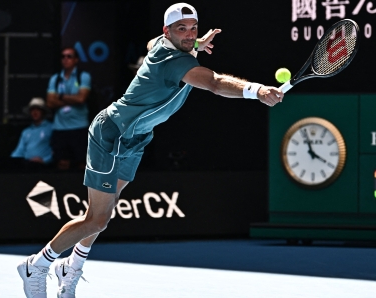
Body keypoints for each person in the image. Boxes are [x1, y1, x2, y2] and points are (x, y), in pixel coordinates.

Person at [17, 3, 283, 298]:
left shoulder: (161, 43)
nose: (189, 34)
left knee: (106, 210)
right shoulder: (171, 60)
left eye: (192, 28)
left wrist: (194, 43)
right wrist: (257, 90)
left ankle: (71, 267)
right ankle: (36, 265)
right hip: (113, 134)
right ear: (167, 31)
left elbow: (151, 42)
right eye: (181, 29)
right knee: (97, 218)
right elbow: (216, 83)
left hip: (136, 136)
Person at [46, 47, 91, 171]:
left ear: (76, 60)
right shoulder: (55, 79)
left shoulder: (83, 76)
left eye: (69, 56)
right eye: (63, 56)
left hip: (79, 127)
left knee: (82, 162)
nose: (65, 59)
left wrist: (60, 96)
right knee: (61, 163)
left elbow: (81, 98)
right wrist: (72, 99)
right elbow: (49, 102)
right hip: (60, 128)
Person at [10, 97, 53, 168]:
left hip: (44, 168)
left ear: (43, 111)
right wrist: (10, 161)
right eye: (32, 109)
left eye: (38, 109)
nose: (35, 112)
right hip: (27, 167)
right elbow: (19, 150)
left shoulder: (51, 128)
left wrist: (45, 160)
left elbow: (55, 150)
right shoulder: (26, 131)